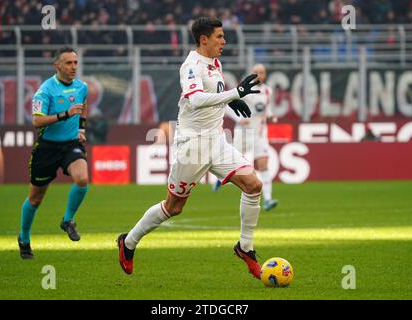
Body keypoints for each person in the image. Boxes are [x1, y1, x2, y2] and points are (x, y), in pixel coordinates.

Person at [117, 17, 264, 279]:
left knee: (253, 185)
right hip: (192, 146)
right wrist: (235, 93)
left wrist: (230, 101)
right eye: (219, 36)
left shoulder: (214, 62)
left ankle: (246, 247)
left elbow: (211, 94)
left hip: (217, 141)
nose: (224, 41)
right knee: (173, 207)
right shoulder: (191, 66)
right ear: (203, 39)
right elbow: (195, 100)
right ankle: (128, 242)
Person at [18, 47, 89, 259]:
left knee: (82, 178)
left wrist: (81, 128)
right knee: (35, 198)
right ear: (57, 65)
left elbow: (83, 106)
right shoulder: (45, 91)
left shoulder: (82, 87)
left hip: (70, 145)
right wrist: (65, 114)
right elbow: (36, 121)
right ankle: (24, 236)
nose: (73, 67)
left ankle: (68, 220)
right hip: (47, 148)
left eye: (75, 63)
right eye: (68, 63)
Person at [216, 64, 279, 211]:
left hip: (260, 134)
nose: (259, 75)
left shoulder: (268, 91)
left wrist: (271, 116)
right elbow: (226, 106)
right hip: (243, 132)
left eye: (261, 72)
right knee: (233, 162)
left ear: (265, 74)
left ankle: (268, 199)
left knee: (263, 164)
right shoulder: (244, 90)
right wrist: (239, 119)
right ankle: (219, 178)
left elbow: (266, 109)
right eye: (256, 72)